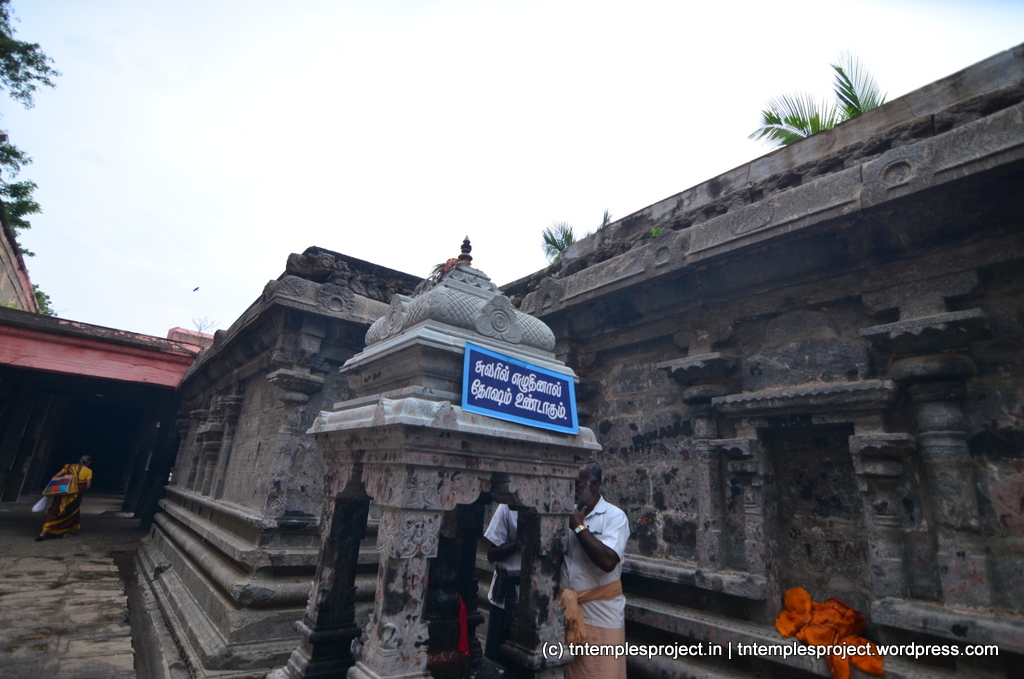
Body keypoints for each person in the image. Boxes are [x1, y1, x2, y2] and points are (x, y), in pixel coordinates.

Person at [560, 459, 629, 679]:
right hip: (570, 613)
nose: (573, 490)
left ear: (594, 485)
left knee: (602, 672)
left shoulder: (615, 516)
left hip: (601, 616)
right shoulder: (568, 513)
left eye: (577, 484)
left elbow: (608, 562)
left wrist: (579, 527)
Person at [483, 503, 520, 661]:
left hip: (533, 595)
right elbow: (491, 554)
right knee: (497, 651)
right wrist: (518, 544)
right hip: (505, 592)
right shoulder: (507, 508)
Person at [36, 455, 93, 541]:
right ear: (88, 463)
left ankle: (43, 532)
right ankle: (64, 533)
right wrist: (79, 490)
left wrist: (53, 488)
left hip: (63, 493)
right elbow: (88, 486)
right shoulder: (88, 471)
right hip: (75, 496)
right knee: (70, 513)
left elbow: (55, 477)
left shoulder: (69, 467)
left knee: (55, 511)